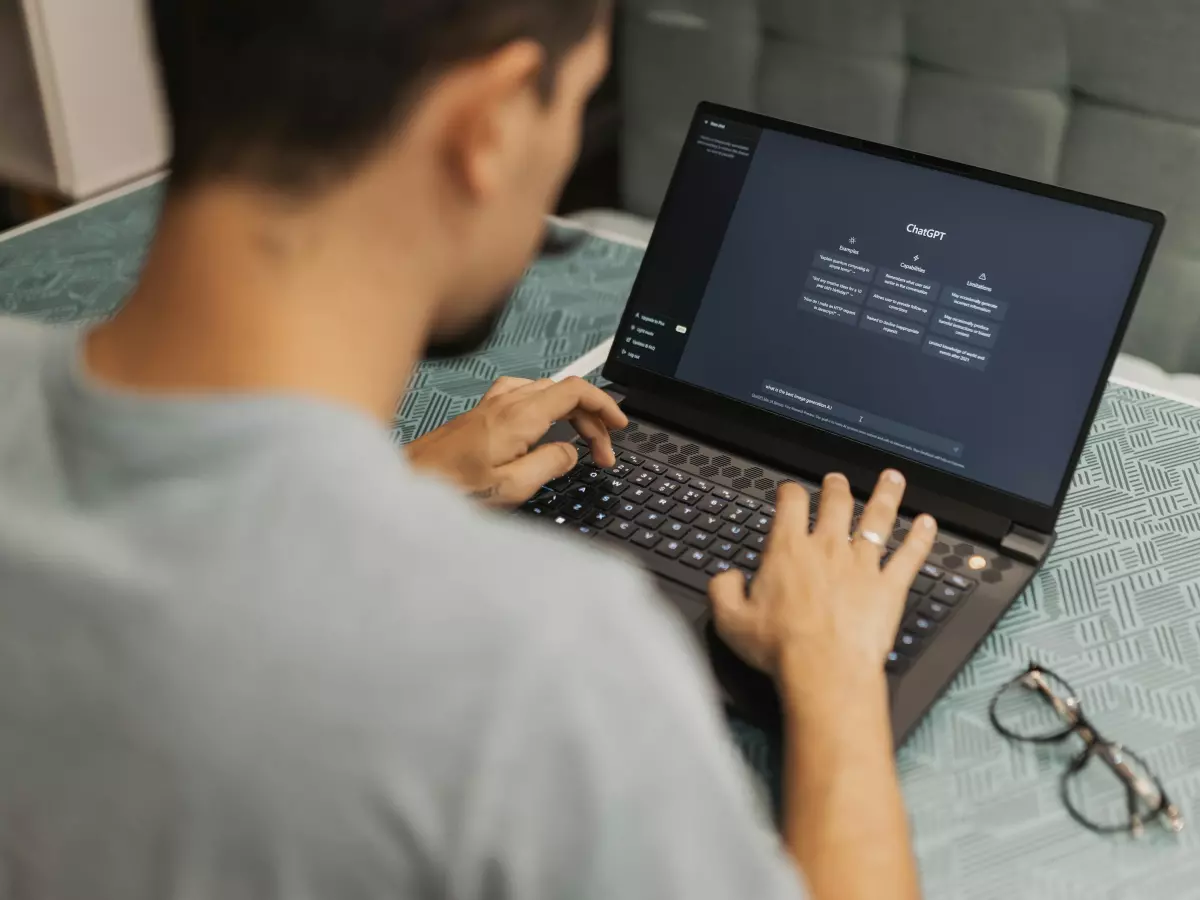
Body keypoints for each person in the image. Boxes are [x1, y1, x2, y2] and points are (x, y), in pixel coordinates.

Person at [0, 1, 936, 897]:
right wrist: (836, 677)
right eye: (577, 100)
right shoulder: (542, 666)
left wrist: (405, 488)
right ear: (488, 123)